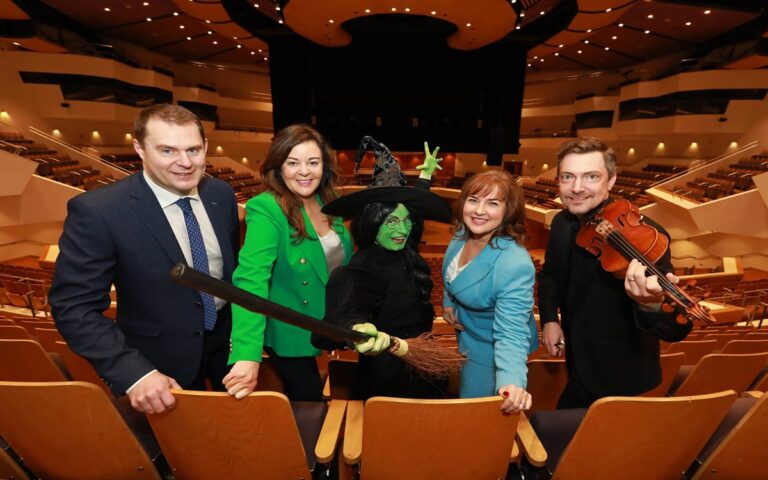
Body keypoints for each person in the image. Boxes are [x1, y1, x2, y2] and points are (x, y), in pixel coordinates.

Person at [49, 103, 240, 414]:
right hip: (157, 362)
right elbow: (74, 307)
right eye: (167, 151)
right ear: (139, 147)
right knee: (179, 455)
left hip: (227, 343)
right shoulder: (99, 212)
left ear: (206, 147)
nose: (185, 162)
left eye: (193, 149)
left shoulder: (221, 194)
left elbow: (229, 275)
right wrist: (135, 374)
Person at [537, 137, 692, 409]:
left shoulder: (647, 237)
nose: (576, 188)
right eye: (567, 177)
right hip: (578, 360)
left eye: (591, 177)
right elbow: (551, 275)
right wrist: (550, 318)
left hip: (623, 378)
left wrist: (650, 304)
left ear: (611, 181)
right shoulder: (562, 223)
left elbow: (674, 330)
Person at [311, 139, 452, 400]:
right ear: (373, 222)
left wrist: (424, 179)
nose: (402, 230)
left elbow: (408, 209)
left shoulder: (407, 253)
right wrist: (356, 328)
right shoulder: (363, 266)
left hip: (423, 371)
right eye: (391, 222)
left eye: (407, 221)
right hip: (387, 379)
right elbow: (344, 314)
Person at [223, 124, 353, 401]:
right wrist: (247, 353)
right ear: (278, 166)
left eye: (313, 162)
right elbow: (251, 278)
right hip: (290, 329)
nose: (304, 171)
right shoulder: (266, 207)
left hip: (329, 325)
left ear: (324, 166)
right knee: (310, 405)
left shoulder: (330, 201)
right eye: (292, 163)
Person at [442, 171, 538, 414]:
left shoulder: (514, 263)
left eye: (492, 203)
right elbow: (453, 277)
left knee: (474, 416)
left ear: (508, 212)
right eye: (473, 200)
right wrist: (449, 301)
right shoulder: (461, 236)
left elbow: (512, 332)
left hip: (490, 349)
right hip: (467, 336)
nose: (479, 210)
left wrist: (512, 381)